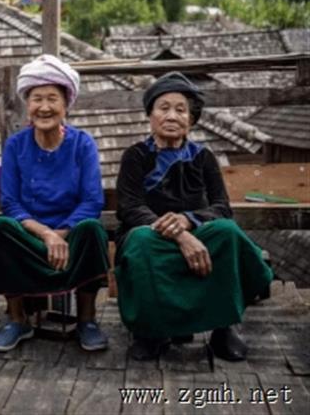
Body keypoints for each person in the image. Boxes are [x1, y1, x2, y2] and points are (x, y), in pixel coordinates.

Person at [114, 72, 274, 361]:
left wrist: (188, 221)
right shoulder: (135, 156)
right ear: (150, 115)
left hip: (196, 231)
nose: (172, 115)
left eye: (180, 109)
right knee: (139, 241)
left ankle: (224, 327)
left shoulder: (204, 157)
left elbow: (221, 207)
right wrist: (178, 234)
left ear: (191, 119)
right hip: (152, 235)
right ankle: (151, 331)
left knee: (226, 231)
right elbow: (130, 206)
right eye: (163, 108)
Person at [0, 54, 110, 353]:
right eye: (36, 99)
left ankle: (87, 320)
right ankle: (17, 320)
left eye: (52, 98)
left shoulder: (83, 144)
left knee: (93, 229)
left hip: (72, 233)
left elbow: (92, 199)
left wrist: (63, 233)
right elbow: (11, 202)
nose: (44, 107)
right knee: (2, 226)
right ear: (27, 106)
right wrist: (46, 234)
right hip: (32, 235)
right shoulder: (16, 145)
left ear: (66, 104)